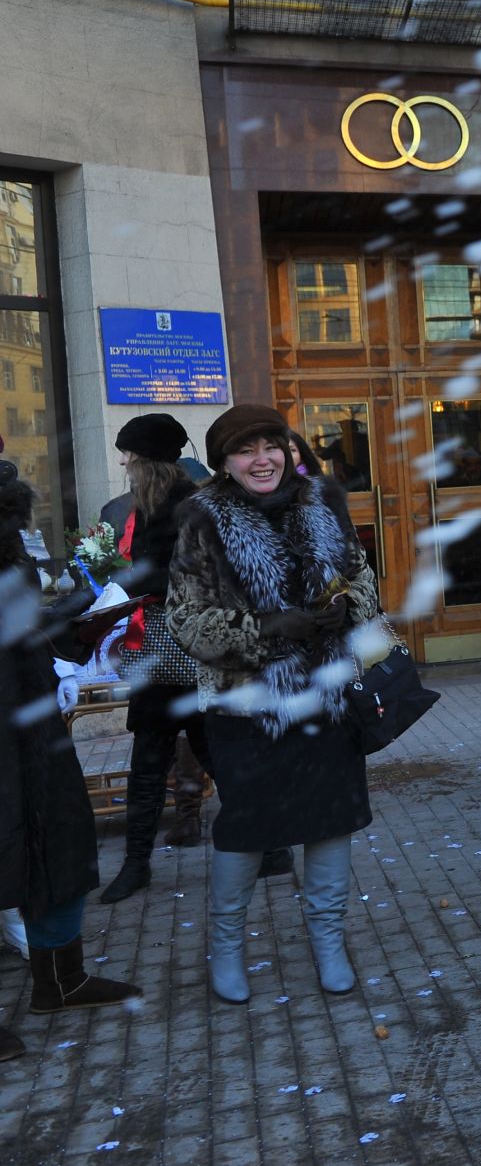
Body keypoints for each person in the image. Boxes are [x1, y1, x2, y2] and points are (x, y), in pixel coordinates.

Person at [166, 404, 388, 1003]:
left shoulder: (323, 503)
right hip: (247, 707)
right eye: (246, 451)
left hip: (328, 700)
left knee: (331, 819)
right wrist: (267, 628)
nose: (261, 459)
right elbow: (186, 621)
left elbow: (363, 578)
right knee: (247, 829)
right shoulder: (200, 520)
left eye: (271, 445)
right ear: (226, 464)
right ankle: (228, 947)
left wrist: (350, 610)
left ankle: (328, 941)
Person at [1, 460, 143, 1062]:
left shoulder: (7, 527)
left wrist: (74, 630)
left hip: (27, 719)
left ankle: (60, 981)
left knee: (58, 839)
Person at [97, 414, 211, 902]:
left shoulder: (189, 506)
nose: (123, 462)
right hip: (164, 656)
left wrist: (120, 585)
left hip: (185, 653)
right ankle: (136, 864)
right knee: (152, 762)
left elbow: (184, 577)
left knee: (212, 754)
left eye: (130, 455)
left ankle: (269, 847)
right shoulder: (148, 505)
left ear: (147, 460)